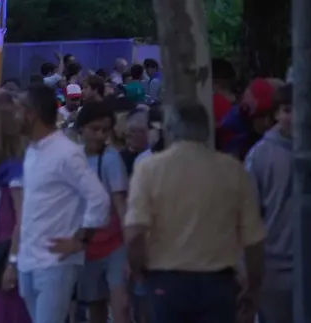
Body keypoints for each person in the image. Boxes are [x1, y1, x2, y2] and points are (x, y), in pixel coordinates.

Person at [124, 101, 266, 323]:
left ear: (168, 130)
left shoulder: (149, 169)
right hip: (219, 283)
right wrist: (254, 288)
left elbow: (134, 233)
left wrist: (137, 270)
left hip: (166, 281)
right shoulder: (232, 170)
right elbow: (254, 240)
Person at [15, 83, 111, 323]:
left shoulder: (67, 153)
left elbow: (99, 199)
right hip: (29, 260)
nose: (14, 116)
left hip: (56, 263)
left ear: (31, 114)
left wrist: (80, 241)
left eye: (18, 110)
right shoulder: (32, 150)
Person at [74, 102, 130, 323]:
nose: (100, 136)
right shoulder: (73, 159)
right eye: (94, 129)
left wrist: (130, 246)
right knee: (95, 305)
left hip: (114, 244)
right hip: (85, 245)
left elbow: (121, 204)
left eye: (105, 130)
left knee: (120, 304)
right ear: (81, 129)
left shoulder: (111, 158)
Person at [246, 84, 294, 323]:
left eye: (301, 109)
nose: (294, 117)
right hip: (274, 265)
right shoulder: (260, 155)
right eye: (287, 110)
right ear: (276, 113)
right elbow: (248, 215)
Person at [0, 89, 31, 323]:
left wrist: (12, 263)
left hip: (8, 258)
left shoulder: (15, 171)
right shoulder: (4, 168)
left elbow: (22, 219)